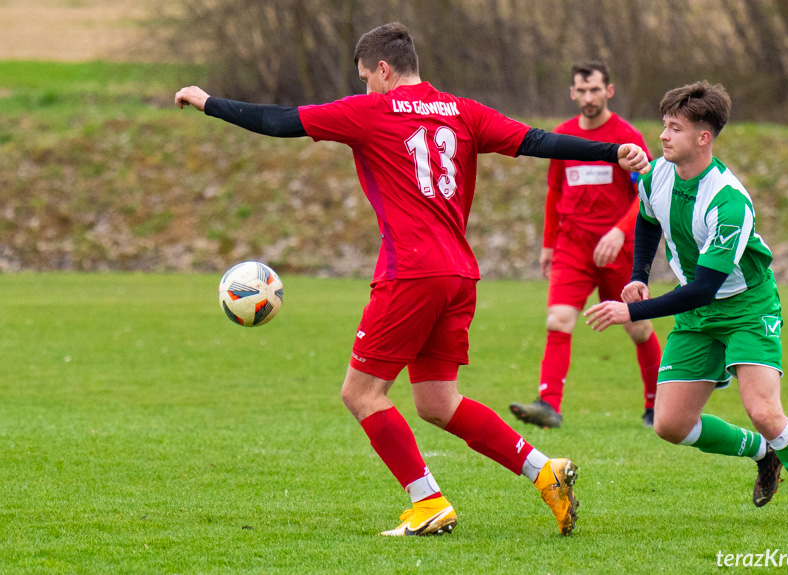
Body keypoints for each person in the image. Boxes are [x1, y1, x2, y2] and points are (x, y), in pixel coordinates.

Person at [175, 22, 650, 537]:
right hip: (459, 275)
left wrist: (209, 102)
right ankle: (545, 472)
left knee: (361, 394)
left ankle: (426, 502)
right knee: (437, 402)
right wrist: (609, 152)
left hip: (411, 272)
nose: (363, 88)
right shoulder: (464, 112)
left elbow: (280, 121)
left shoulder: (371, 111)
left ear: (383, 69)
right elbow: (536, 140)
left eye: (364, 77)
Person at [584, 81, 788, 528]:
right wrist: (638, 278)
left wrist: (631, 311)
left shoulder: (728, 201)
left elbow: (705, 287)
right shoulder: (660, 175)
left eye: (674, 128)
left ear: (703, 138)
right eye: (664, 125)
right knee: (670, 424)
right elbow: (648, 218)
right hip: (698, 313)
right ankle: (764, 453)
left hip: (746, 305)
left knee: (763, 411)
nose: (663, 136)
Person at [510, 61, 662, 429]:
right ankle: (549, 405)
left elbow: (648, 193)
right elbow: (555, 191)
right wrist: (548, 245)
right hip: (572, 247)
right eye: (582, 90)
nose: (589, 97)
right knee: (558, 319)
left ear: (609, 91)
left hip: (618, 250)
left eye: (596, 89)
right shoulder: (562, 136)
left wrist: (619, 232)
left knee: (639, 328)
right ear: (572, 93)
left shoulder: (626, 136)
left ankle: (657, 405)